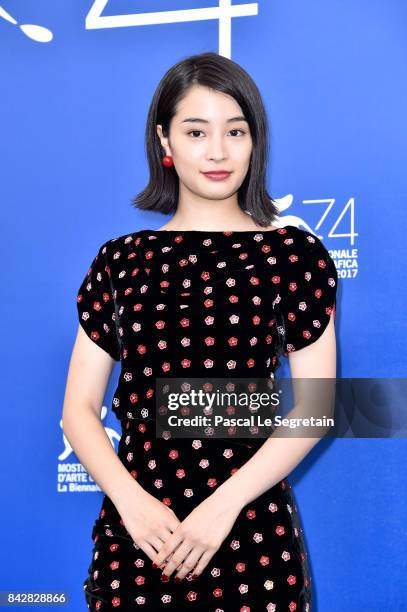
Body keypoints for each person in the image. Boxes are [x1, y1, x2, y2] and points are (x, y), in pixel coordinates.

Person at [62, 51, 338, 611]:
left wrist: (222, 507)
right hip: (139, 539)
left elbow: (316, 407)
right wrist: (132, 506)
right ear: (164, 141)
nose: (217, 151)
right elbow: (78, 411)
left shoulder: (293, 255)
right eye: (196, 131)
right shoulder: (121, 261)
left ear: (254, 141)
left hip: (252, 535)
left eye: (235, 131)